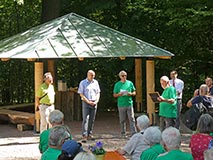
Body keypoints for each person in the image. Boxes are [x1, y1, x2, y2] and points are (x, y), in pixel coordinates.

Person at [78, 70, 100, 141]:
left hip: (94, 102)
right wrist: (88, 101)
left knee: (92, 119)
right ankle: (84, 135)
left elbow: (98, 92)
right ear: (88, 75)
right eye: (91, 75)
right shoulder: (83, 83)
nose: (93, 77)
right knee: (85, 119)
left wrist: (96, 101)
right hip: (86, 102)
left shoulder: (96, 82)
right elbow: (81, 94)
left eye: (94, 75)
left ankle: (90, 134)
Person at [113, 70, 137, 137]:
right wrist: (119, 94)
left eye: (125, 75)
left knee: (131, 118)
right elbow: (114, 95)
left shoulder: (130, 83)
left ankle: (134, 132)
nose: (124, 77)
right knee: (122, 119)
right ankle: (123, 133)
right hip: (121, 104)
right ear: (120, 76)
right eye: (123, 76)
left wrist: (131, 93)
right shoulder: (117, 84)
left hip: (129, 103)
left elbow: (135, 92)